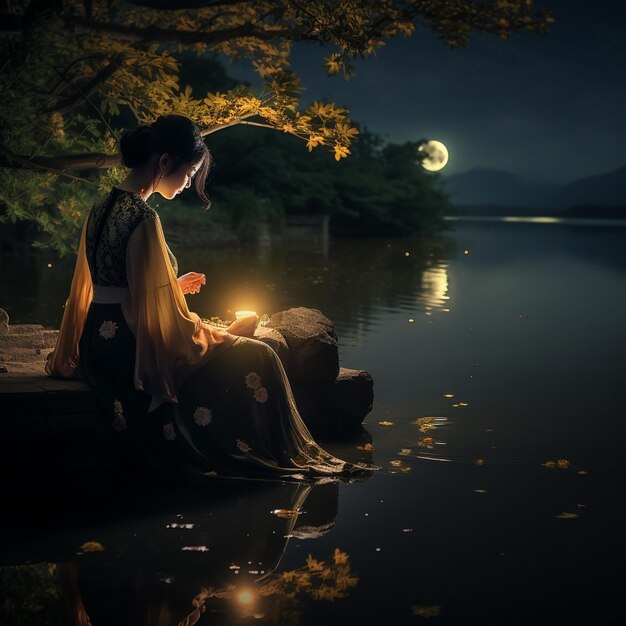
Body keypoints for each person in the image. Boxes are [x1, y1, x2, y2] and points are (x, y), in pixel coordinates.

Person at [47, 114, 372, 481]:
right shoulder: (143, 217)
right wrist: (217, 335)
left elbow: (103, 285)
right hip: (130, 347)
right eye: (188, 173)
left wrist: (171, 285)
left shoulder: (100, 207)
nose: (187, 184)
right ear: (165, 162)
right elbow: (150, 318)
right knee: (260, 354)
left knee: (236, 343)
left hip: (96, 342)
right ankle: (268, 450)